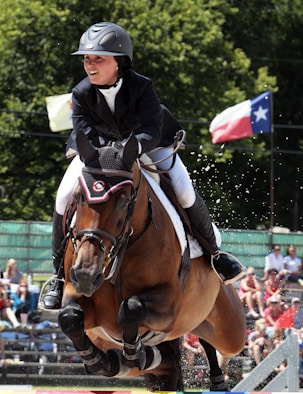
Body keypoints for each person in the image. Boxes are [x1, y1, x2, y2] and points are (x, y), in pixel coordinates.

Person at [42, 22, 244, 309]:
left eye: (98, 58)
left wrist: (131, 150)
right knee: (63, 196)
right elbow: (83, 133)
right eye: (87, 58)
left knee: (184, 191)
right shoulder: (81, 92)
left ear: (119, 61)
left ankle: (215, 254)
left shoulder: (141, 86)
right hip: (99, 152)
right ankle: (58, 277)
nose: (90, 64)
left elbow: (151, 127)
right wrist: (97, 154)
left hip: (147, 145)